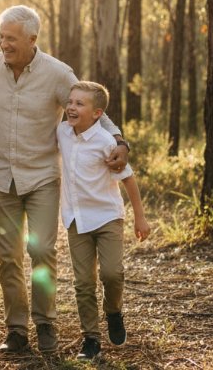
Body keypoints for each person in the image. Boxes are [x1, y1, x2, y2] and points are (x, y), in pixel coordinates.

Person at [0, 5, 130, 354]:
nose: (3, 43)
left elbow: (96, 112)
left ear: (32, 39)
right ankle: (16, 330)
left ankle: (45, 322)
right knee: (8, 258)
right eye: (1, 36)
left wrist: (120, 141)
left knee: (43, 251)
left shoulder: (58, 74)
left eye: (11, 38)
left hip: (41, 179)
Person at [58, 81, 150, 361]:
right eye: (70, 102)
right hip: (76, 219)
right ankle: (91, 338)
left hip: (108, 217)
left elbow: (129, 179)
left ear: (97, 113)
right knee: (83, 282)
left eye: (79, 104)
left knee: (112, 273)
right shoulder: (61, 132)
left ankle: (113, 311)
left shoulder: (107, 142)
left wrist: (140, 217)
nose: (72, 108)